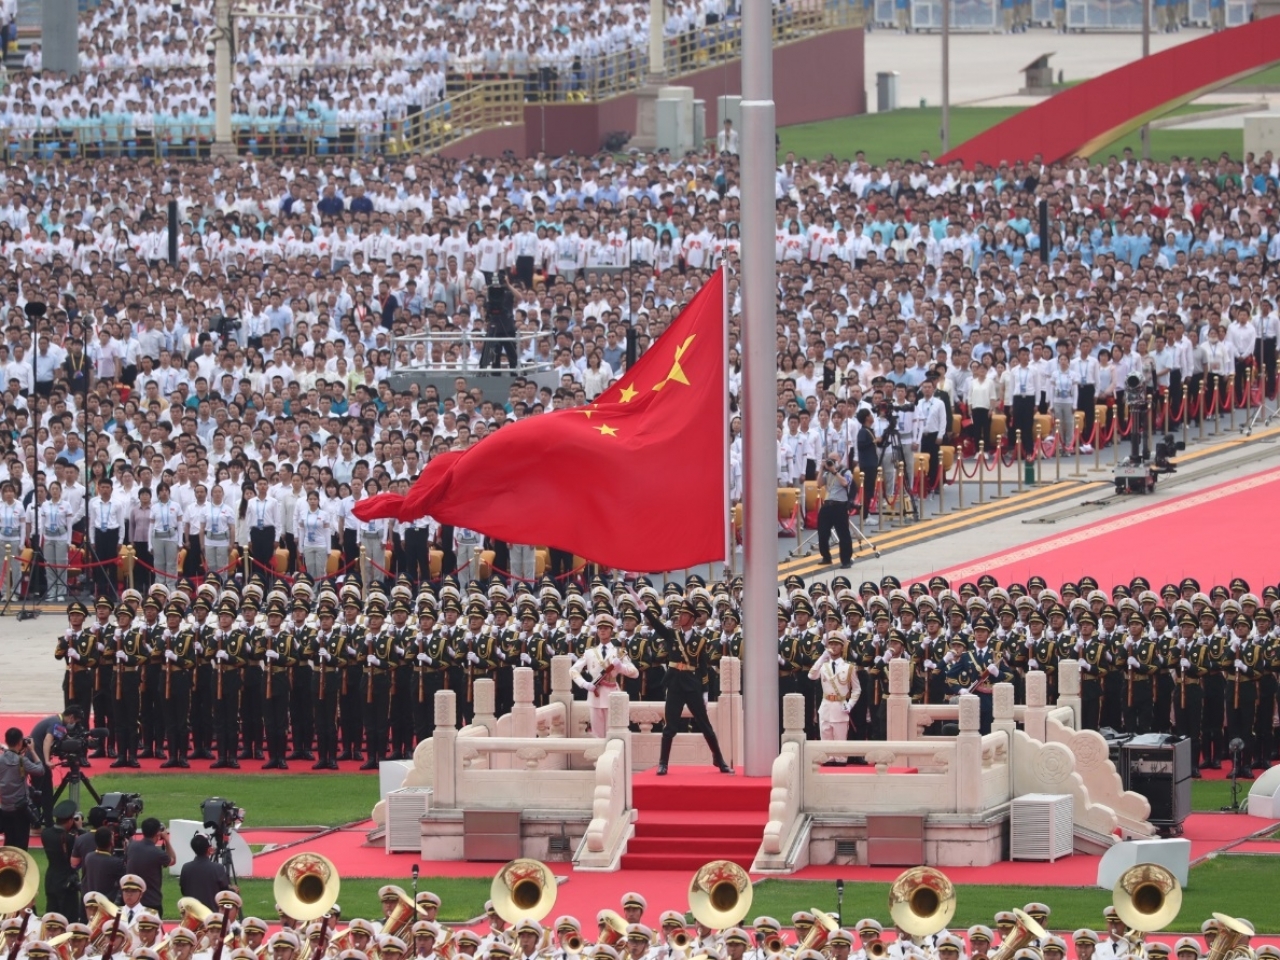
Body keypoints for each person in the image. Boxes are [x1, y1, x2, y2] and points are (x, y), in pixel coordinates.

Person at [642, 599, 733, 776]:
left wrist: (705, 691)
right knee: (670, 726)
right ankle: (663, 763)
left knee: (705, 725)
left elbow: (703, 667)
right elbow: (656, 623)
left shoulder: (700, 641)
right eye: (679, 614)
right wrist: (643, 607)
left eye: (683, 615)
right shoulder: (671, 635)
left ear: (691, 618)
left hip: (692, 686)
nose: (679, 617)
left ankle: (718, 759)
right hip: (674, 685)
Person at [123, 818, 176, 914]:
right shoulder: (158, 853)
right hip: (152, 902)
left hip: (133, 903)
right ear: (158, 833)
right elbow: (172, 860)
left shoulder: (132, 846)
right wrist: (167, 840)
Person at [0, 727, 43, 846]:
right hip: (21, 809)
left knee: (9, 841)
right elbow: (40, 770)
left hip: (5, 808)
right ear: (20, 742)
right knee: (21, 843)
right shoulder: (22, 761)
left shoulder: (1, 759)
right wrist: (32, 751)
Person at [41, 800, 82, 921]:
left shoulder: (45, 834)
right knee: (69, 919)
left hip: (51, 879)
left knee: (52, 918)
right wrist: (80, 829)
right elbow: (80, 852)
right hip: (67, 882)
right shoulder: (70, 839)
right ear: (70, 821)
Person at [816, 454, 853, 568]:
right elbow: (819, 484)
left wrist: (835, 471)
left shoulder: (846, 472)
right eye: (829, 460)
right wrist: (821, 469)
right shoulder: (827, 474)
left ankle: (846, 560)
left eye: (833, 460)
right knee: (822, 532)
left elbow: (845, 483)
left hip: (840, 505)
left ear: (839, 460)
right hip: (827, 504)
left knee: (843, 534)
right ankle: (826, 557)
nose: (831, 462)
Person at [178, 834, 232, 910]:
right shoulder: (218, 868)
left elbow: (184, 891)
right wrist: (233, 890)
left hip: (192, 913)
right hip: (212, 914)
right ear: (209, 849)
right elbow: (224, 892)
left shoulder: (186, 867)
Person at [80, 826, 125, 897]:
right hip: (107, 901)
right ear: (111, 842)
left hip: (92, 899)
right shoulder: (116, 862)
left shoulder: (88, 857)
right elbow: (124, 883)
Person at [853, 409, 878, 526]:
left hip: (871, 463)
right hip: (867, 464)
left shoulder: (869, 430)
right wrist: (873, 441)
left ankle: (866, 513)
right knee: (867, 490)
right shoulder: (863, 432)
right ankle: (864, 516)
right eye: (870, 415)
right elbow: (861, 445)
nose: (872, 417)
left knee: (870, 490)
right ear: (867, 417)